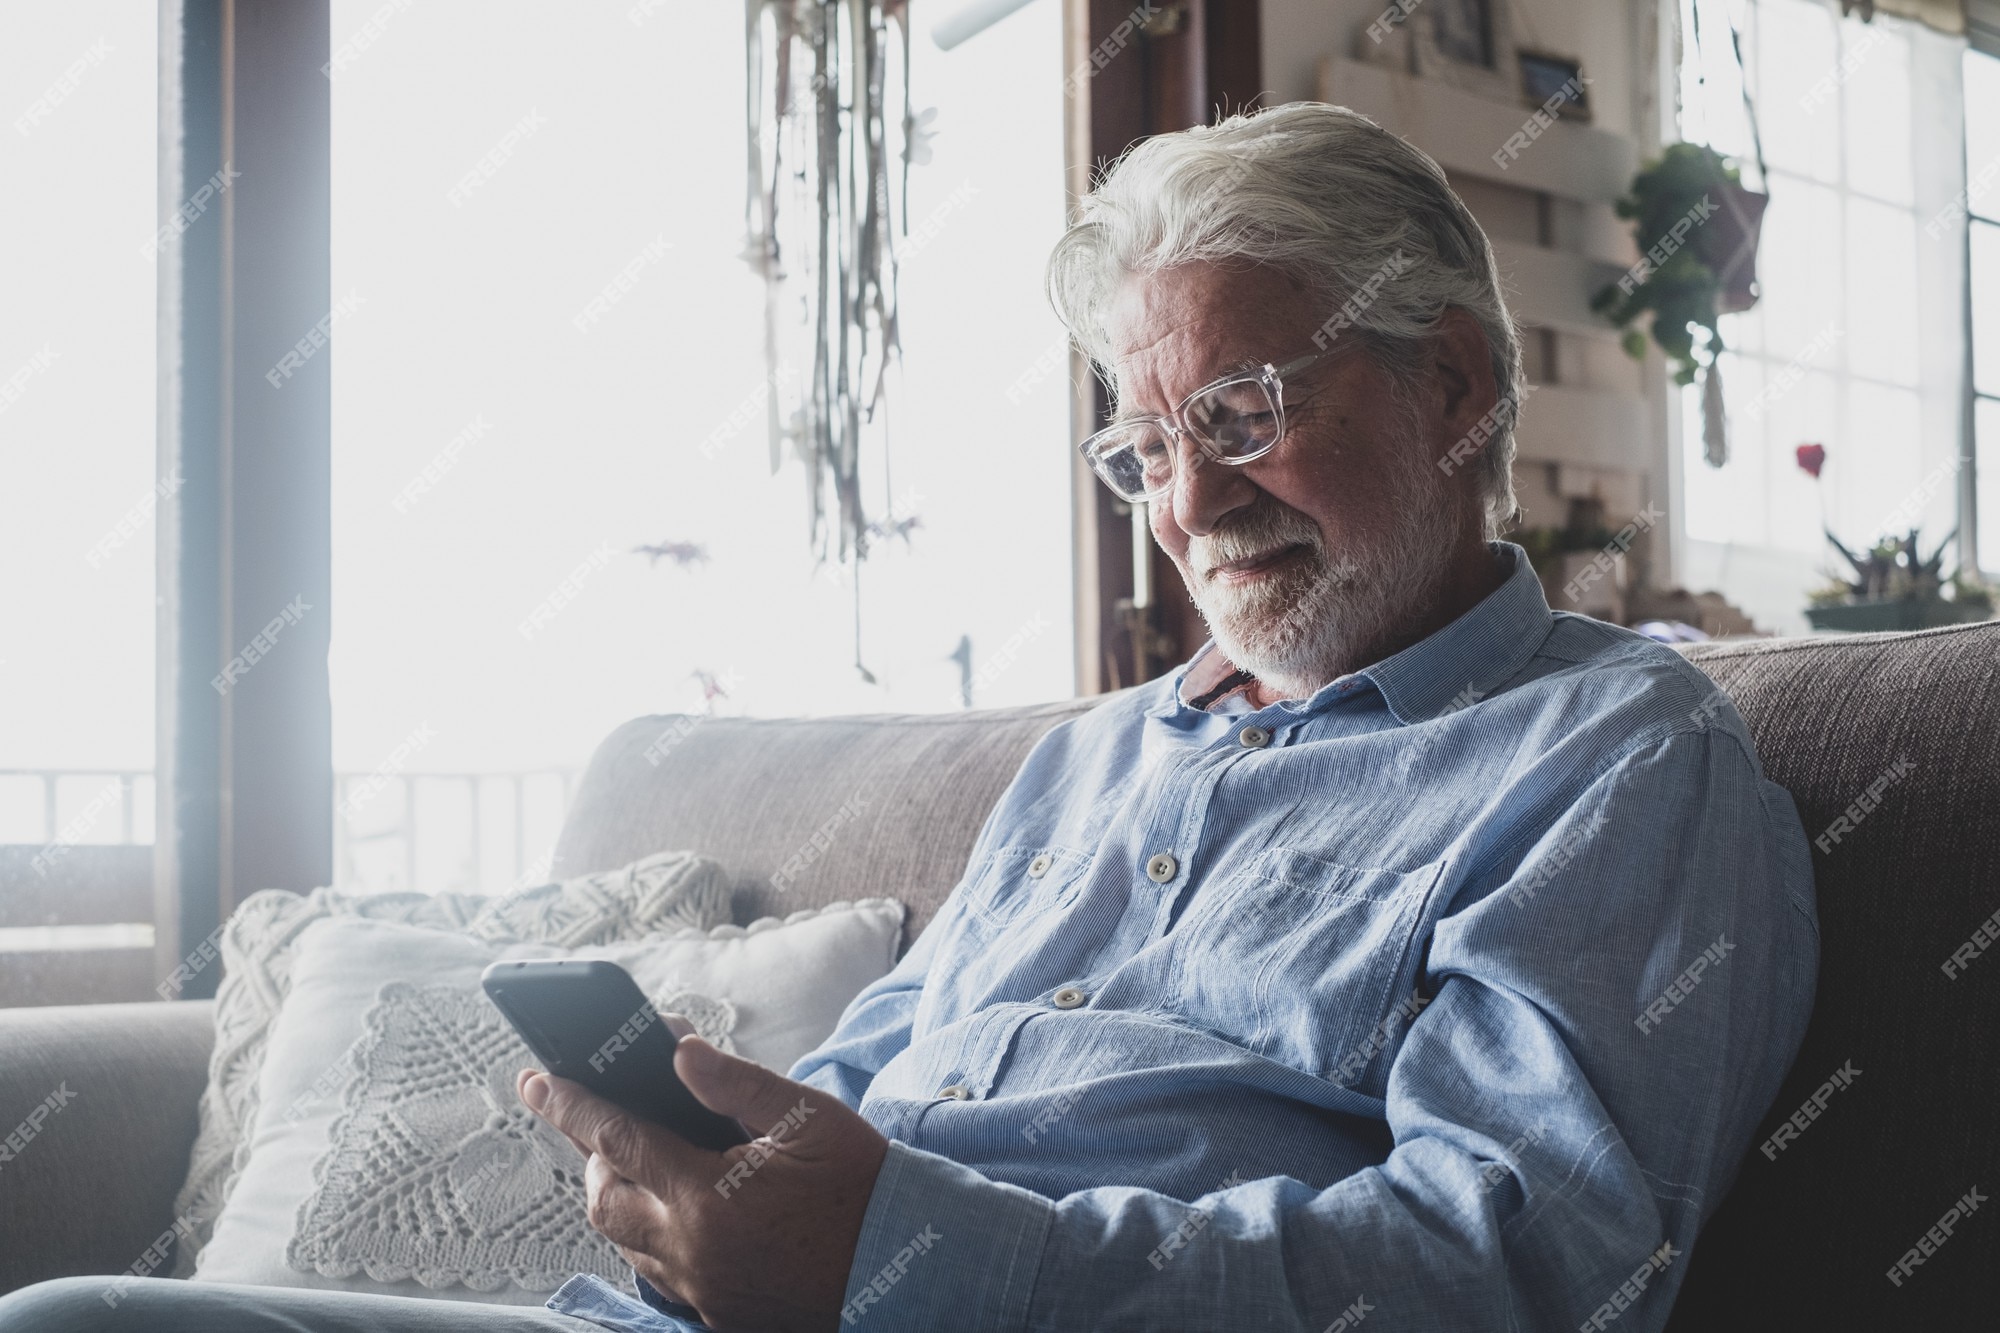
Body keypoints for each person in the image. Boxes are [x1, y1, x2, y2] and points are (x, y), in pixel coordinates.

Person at [0, 101, 1816, 1333]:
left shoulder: (1613, 759)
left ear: (1459, 383)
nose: (1188, 507)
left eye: (1244, 412)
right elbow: (846, 1101)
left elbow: (1518, 1267)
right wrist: (694, 1208)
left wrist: (908, 1254)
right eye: (1144, 448)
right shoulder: (1097, 760)